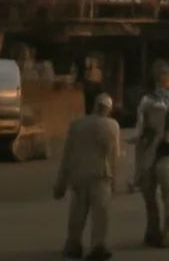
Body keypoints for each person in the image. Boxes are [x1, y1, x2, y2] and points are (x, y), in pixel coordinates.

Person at [53, 93, 121, 261]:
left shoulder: (76, 124)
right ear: (108, 109)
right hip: (101, 175)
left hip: (79, 174)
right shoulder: (112, 126)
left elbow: (67, 155)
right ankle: (98, 246)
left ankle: (73, 245)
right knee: (101, 213)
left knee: (77, 211)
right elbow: (114, 156)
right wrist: (114, 181)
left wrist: (61, 183)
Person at [135, 60, 169, 248]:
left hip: (167, 151)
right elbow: (141, 125)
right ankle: (153, 230)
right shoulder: (148, 101)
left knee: (168, 192)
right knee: (149, 194)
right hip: (150, 150)